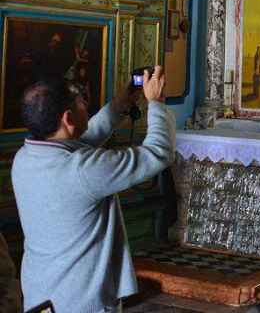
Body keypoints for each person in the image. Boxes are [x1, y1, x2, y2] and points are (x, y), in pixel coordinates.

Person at [12, 66, 174, 312]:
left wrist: (120, 103)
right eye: (80, 101)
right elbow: (158, 153)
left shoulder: (25, 158)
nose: (85, 105)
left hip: (42, 295)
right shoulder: (83, 170)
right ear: (67, 118)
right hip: (83, 300)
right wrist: (157, 103)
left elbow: (79, 140)